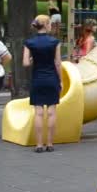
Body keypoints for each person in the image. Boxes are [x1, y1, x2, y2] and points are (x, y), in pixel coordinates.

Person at [23, 15, 62, 152]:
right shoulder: (54, 42)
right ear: (46, 25)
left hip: (37, 79)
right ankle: (50, 144)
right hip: (51, 78)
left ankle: (39, 144)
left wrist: (34, 58)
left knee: (38, 113)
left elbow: (26, 63)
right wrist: (60, 80)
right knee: (51, 112)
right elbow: (57, 63)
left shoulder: (29, 43)